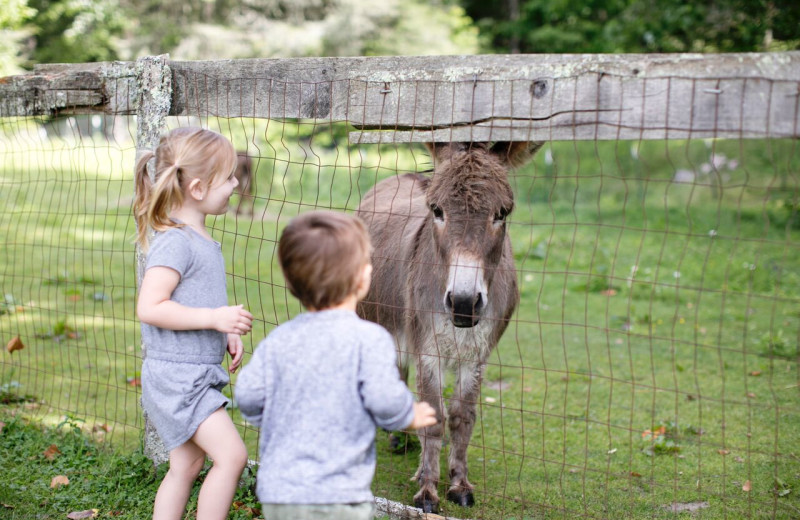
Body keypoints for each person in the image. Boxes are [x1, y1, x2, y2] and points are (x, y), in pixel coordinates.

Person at [235, 210, 437, 520]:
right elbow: (384, 400)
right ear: (363, 278)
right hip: (340, 495)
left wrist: (273, 414)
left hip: (280, 493)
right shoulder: (369, 339)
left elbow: (248, 396)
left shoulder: (278, 340)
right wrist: (408, 415)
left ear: (289, 281)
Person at [134, 127, 254, 520]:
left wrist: (221, 331)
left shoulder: (198, 238)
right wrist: (214, 317)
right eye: (230, 177)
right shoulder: (176, 241)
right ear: (199, 188)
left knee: (185, 466)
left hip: (192, 372)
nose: (237, 184)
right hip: (178, 377)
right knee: (232, 457)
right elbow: (150, 307)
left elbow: (193, 302)